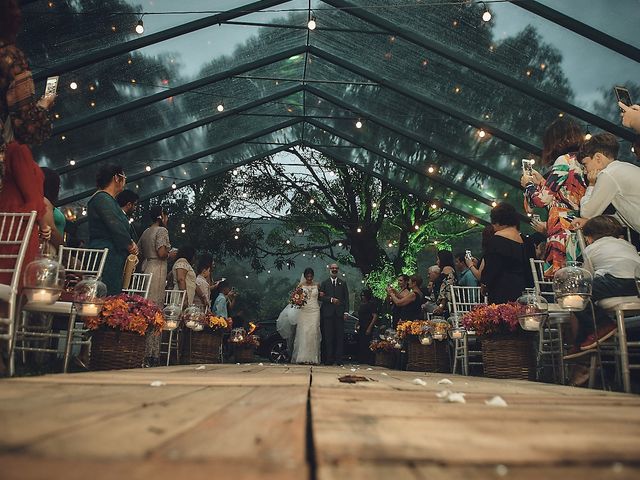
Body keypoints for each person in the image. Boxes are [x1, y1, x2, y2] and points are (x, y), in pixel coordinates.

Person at [0, 0, 54, 288]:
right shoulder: (9, 57)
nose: (19, 12)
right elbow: (29, 126)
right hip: (15, 224)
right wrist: (43, 107)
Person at [565, 216, 640, 359]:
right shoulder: (627, 244)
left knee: (577, 292)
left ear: (590, 237)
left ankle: (603, 325)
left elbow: (587, 276)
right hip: (637, 283)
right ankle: (582, 343)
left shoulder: (591, 248)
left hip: (616, 280)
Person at [522, 118, 586, 277]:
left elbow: (541, 200)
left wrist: (528, 185)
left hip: (561, 230)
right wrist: (543, 182)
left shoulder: (562, 160)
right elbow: (567, 195)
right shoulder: (580, 161)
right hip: (579, 227)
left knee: (563, 282)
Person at [570, 133, 640, 246]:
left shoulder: (608, 174)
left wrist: (591, 185)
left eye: (585, 164)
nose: (585, 171)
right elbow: (624, 217)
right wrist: (589, 221)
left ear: (598, 158)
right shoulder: (623, 168)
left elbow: (587, 212)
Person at [87, 164, 137, 295]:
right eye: (124, 177)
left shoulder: (110, 200)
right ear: (116, 178)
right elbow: (115, 226)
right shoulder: (102, 198)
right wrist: (130, 244)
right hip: (104, 255)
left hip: (112, 254)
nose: (125, 182)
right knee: (103, 294)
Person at [138, 205, 171, 367]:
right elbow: (162, 253)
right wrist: (173, 253)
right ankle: (152, 354)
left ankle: (142, 351)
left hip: (146, 268)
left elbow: (139, 252)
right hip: (158, 269)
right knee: (155, 311)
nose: (167, 219)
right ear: (161, 216)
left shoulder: (145, 232)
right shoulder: (162, 231)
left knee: (145, 309)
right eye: (166, 215)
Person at [482, 203, 533, 304]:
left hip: (501, 289)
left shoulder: (496, 240)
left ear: (497, 222)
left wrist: (485, 284)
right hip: (521, 289)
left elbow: (491, 268)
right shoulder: (526, 241)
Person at [319, 264, 349, 365]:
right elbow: (320, 297)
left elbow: (346, 299)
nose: (334, 270)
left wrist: (346, 312)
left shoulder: (343, 283)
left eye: (336, 268)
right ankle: (329, 359)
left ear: (338, 270)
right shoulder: (324, 283)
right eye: (333, 268)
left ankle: (339, 359)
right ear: (330, 270)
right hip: (328, 315)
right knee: (328, 337)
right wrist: (331, 299)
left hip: (339, 315)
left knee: (339, 338)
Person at [291, 268, 322, 364]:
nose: (309, 278)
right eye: (307, 276)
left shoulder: (317, 285)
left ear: (313, 276)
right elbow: (295, 297)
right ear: (304, 276)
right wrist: (297, 300)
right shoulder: (301, 285)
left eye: (311, 276)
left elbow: (321, 297)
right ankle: (302, 357)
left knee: (313, 332)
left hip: (315, 310)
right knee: (303, 332)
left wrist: (321, 294)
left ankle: (313, 358)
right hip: (304, 310)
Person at [41, 167, 64, 251]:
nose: (60, 187)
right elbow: (51, 230)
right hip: (49, 249)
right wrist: (65, 252)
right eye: (58, 184)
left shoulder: (47, 202)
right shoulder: (43, 202)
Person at [432, 250, 457, 316]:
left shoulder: (447, 270)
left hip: (446, 306)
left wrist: (441, 306)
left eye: (438, 259)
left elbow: (447, 289)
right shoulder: (445, 270)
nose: (436, 262)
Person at [356, 289, 377, 365]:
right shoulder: (362, 304)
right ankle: (361, 358)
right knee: (361, 343)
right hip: (361, 325)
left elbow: (374, 316)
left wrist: (370, 327)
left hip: (368, 325)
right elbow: (360, 315)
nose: (362, 297)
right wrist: (357, 323)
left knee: (367, 342)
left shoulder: (371, 304)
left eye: (363, 296)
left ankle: (368, 359)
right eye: (361, 296)